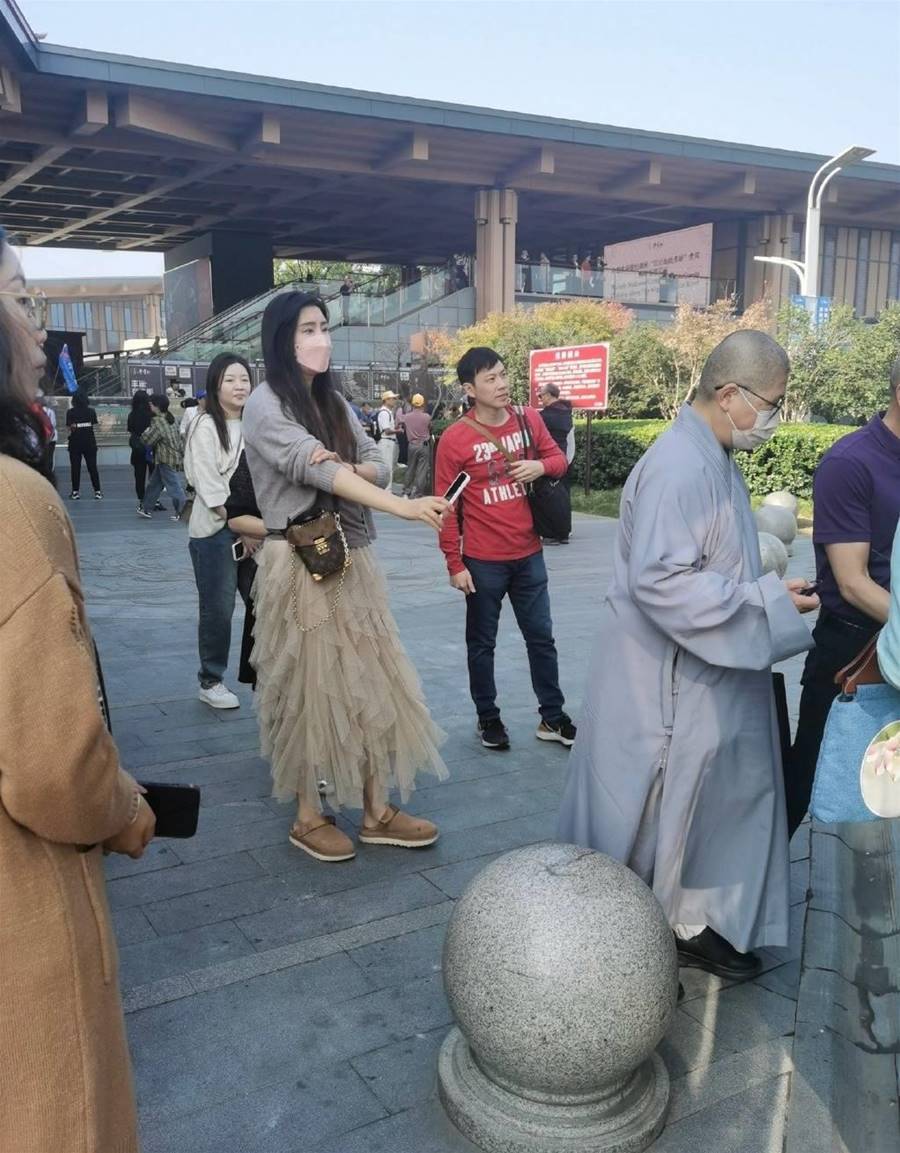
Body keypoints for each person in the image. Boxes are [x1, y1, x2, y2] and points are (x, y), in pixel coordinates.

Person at [558, 331, 819, 980]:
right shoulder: (680, 465)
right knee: (660, 809)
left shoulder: (713, 456)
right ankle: (642, 933)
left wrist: (767, 593)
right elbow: (661, 582)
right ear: (729, 394)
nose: (773, 418)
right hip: (668, 677)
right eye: (771, 403)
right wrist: (764, 603)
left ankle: (691, 921)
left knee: (709, 805)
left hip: (705, 667)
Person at [0, 228, 154, 1153]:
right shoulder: (13, 505)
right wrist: (126, 807)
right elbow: (55, 767)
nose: (37, 326)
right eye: (21, 298)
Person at [242, 291, 450, 863]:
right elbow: (314, 466)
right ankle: (308, 815)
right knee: (309, 689)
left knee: (372, 680)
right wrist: (401, 505)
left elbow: (377, 463)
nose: (321, 338)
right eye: (308, 328)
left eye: (324, 326)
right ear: (283, 338)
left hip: (352, 554)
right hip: (299, 562)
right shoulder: (265, 404)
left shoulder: (332, 399)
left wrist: (345, 467)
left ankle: (377, 811)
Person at [434, 346, 574, 752]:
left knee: (541, 639)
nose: (501, 384)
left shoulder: (529, 419)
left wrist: (539, 466)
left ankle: (552, 716)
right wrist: (454, 563)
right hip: (482, 562)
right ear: (470, 389)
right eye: (490, 378)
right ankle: (488, 717)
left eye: (503, 374)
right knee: (482, 644)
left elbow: (558, 460)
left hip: (529, 554)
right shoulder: (456, 439)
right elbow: (446, 507)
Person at [787, 352, 900, 836]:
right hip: (854, 648)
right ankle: (749, 881)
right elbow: (853, 583)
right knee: (811, 777)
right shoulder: (851, 462)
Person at [183, 353, 251, 710]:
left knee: (263, 603)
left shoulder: (257, 424)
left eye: (244, 379)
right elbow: (209, 485)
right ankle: (210, 680)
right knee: (218, 610)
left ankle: (266, 673)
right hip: (215, 533)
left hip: (254, 531)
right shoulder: (205, 426)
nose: (239, 386)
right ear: (215, 385)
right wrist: (243, 525)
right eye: (230, 380)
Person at [138, 394, 187, 520]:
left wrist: (145, 432)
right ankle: (145, 508)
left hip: (166, 458)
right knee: (154, 484)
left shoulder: (158, 421)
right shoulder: (171, 417)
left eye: (151, 404)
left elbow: (147, 440)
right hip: (171, 456)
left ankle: (182, 511)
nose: (149, 406)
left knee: (174, 487)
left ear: (157, 406)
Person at [537, 383, 573, 544]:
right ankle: (564, 532)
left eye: (541, 395)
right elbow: (570, 438)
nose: (540, 398)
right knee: (563, 496)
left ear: (549, 395)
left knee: (547, 496)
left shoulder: (545, 416)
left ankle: (551, 534)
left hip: (549, 459)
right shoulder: (567, 413)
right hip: (565, 458)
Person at [66, 387, 102, 500]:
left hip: (75, 443)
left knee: (75, 468)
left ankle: (75, 492)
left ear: (74, 400)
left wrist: (76, 426)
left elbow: (70, 427)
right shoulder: (91, 411)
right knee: (92, 467)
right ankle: (97, 491)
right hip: (90, 442)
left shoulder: (70, 412)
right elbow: (94, 424)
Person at [400, 392, 433, 498]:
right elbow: (430, 428)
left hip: (412, 445)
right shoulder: (427, 417)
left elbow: (399, 424)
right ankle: (418, 493)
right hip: (424, 445)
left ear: (412, 404)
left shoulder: (406, 417)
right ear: (423, 404)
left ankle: (406, 491)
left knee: (410, 468)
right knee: (422, 470)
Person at [127, 389, 154, 511]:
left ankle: (141, 499)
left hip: (138, 448)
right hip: (151, 447)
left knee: (139, 475)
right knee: (154, 476)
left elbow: (131, 430)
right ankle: (154, 499)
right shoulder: (152, 414)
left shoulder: (132, 414)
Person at [375, 389, 399, 488]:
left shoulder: (387, 412)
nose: (394, 400)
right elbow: (387, 431)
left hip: (388, 442)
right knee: (387, 467)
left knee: (388, 466)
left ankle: (386, 489)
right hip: (386, 442)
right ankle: (387, 490)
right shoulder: (384, 413)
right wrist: (398, 431)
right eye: (393, 399)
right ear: (386, 400)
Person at [38, 388, 57, 473]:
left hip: (40, 437)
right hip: (51, 438)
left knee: (41, 457)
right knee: (50, 457)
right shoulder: (50, 411)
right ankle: (49, 474)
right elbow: (53, 424)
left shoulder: (35, 410)